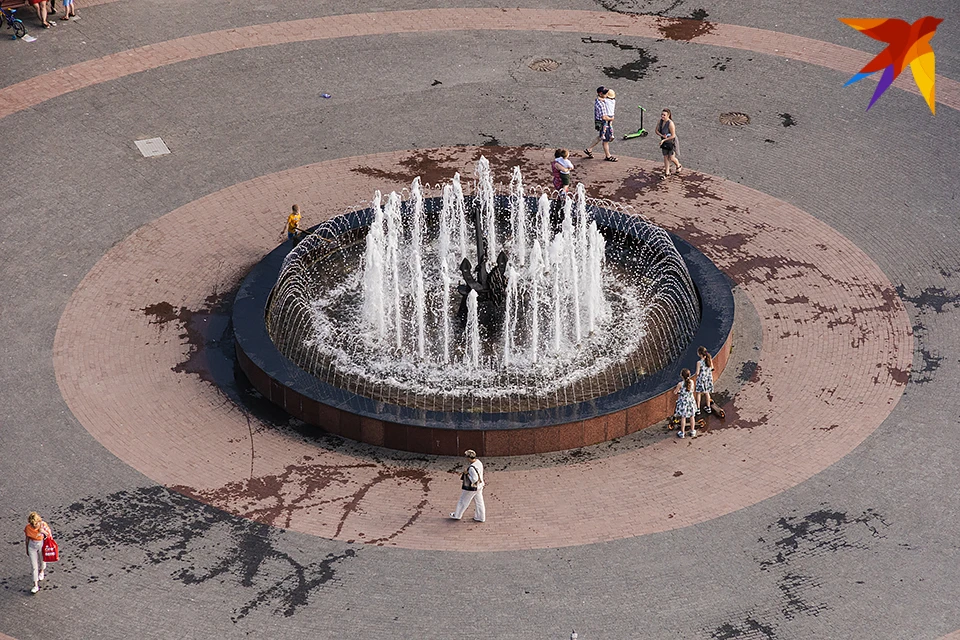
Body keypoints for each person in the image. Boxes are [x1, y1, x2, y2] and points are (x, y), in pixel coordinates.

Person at [450, 450, 485, 522]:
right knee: (479, 502)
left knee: (463, 500)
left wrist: (467, 474)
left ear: (469, 457)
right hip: (480, 486)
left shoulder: (472, 468)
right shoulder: (479, 462)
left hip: (472, 488)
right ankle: (481, 517)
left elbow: (474, 479)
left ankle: (457, 515)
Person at [583, 87, 617, 162]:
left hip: (602, 122)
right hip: (604, 123)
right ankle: (608, 156)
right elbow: (604, 117)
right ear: (600, 93)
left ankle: (589, 149)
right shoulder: (602, 104)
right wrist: (611, 119)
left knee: (601, 136)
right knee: (605, 140)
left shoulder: (601, 100)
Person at [24, 512, 52, 594]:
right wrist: (27, 549)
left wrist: (43, 532)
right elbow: (27, 538)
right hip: (32, 546)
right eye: (32, 525)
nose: (34, 527)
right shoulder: (28, 528)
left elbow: (49, 536)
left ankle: (42, 571)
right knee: (34, 566)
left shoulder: (43, 525)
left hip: (42, 544)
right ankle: (35, 585)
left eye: (35, 525)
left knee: (42, 561)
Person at [656, 108, 683, 176]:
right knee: (665, 156)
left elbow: (673, 135)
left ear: (668, 115)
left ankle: (678, 165)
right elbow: (656, 130)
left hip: (671, 142)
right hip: (664, 142)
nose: (662, 116)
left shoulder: (670, 123)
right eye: (662, 114)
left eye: (664, 115)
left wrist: (664, 139)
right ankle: (667, 172)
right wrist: (662, 136)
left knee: (671, 157)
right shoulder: (660, 121)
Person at [674, 368, 697, 438]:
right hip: (690, 402)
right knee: (692, 416)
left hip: (683, 403)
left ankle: (682, 433)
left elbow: (675, 392)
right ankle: (692, 431)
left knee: (683, 418)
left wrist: (679, 392)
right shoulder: (692, 382)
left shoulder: (680, 384)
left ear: (682, 376)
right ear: (689, 375)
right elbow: (692, 390)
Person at [694, 346, 715, 414]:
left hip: (701, 380)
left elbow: (697, 373)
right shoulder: (709, 358)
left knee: (698, 393)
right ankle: (708, 408)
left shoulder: (699, 362)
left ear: (699, 354)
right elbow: (712, 368)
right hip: (708, 379)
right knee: (707, 393)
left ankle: (698, 409)